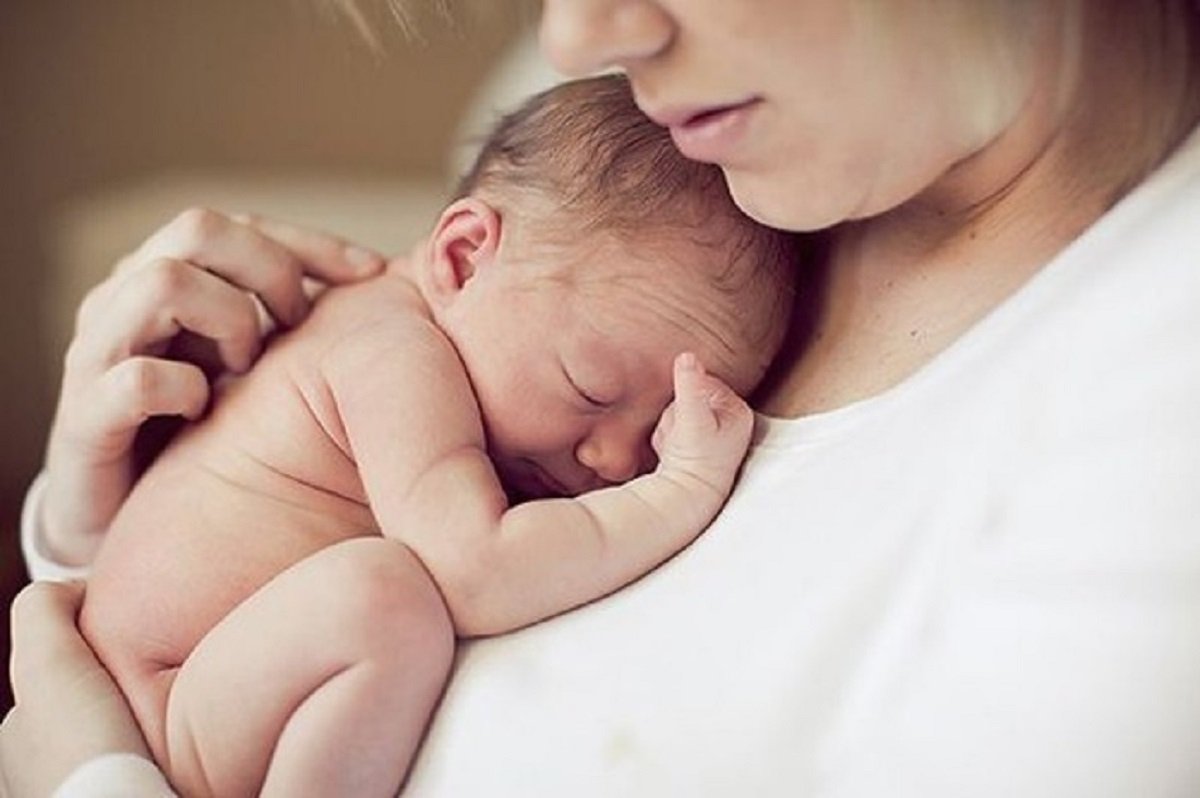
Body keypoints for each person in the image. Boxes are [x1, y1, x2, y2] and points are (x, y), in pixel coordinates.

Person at [6, 0, 1200, 795]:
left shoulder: (1145, 398)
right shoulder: (665, 143)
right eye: (594, 396)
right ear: (464, 255)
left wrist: (89, 776)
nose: (578, 32)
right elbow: (420, 558)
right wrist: (86, 496)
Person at [73, 73, 796, 797]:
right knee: (382, 599)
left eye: (656, 434)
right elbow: (476, 570)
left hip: (192, 684)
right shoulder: (393, 350)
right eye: (591, 389)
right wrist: (679, 489)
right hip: (163, 698)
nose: (613, 460)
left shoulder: (426, 336)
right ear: (463, 256)